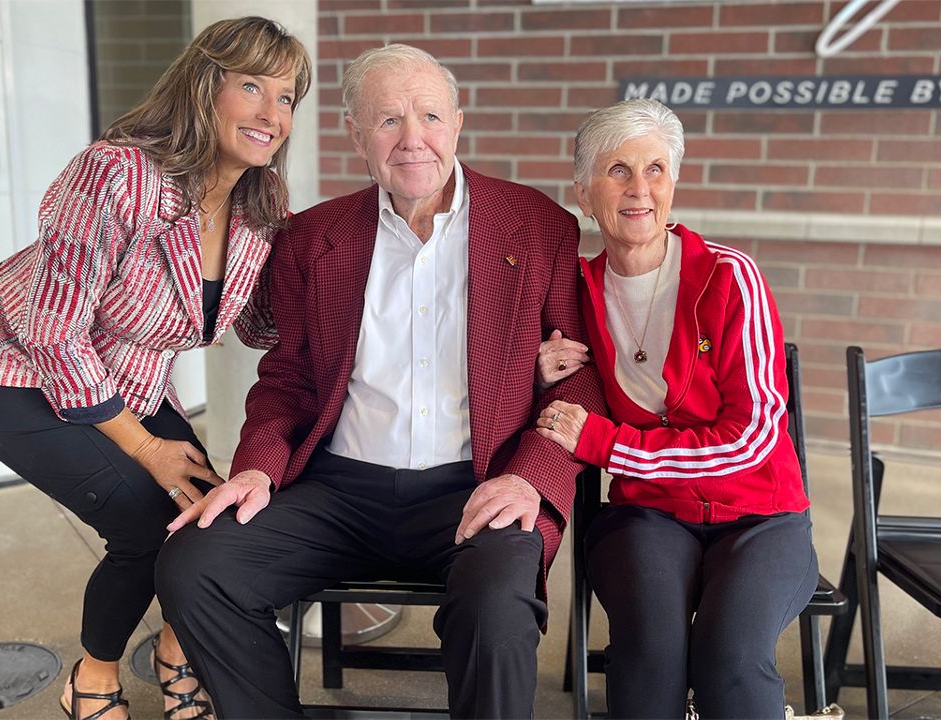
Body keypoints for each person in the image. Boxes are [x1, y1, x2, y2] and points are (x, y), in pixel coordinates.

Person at [154, 44, 605, 719]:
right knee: (195, 566)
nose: (413, 138)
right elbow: (288, 379)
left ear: (458, 121)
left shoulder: (536, 227)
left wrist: (528, 477)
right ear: (356, 133)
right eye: (388, 120)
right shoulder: (312, 238)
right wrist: (255, 471)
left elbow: (579, 379)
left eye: (428, 115)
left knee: (498, 601)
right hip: (339, 490)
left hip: (478, 484)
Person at [0, 17, 311, 720]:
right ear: (205, 88)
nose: (273, 113)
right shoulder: (118, 174)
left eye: (289, 97)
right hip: (13, 370)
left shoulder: (259, 205)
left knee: (205, 515)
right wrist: (144, 447)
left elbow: (263, 323)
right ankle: (93, 678)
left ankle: (177, 655)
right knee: (146, 522)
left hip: (128, 375)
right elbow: (54, 332)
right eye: (252, 87)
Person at [535, 99, 818, 719]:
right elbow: (514, 386)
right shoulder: (573, 290)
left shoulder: (730, 278)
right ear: (583, 192)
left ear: (674, 183)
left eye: (656, 170)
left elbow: (752, 437)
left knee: (731, 659)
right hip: (650, 517)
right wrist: (536, 371)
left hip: (759, 516)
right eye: (618, 171)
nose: (639, 189)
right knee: (651, 650)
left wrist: (607, 443)